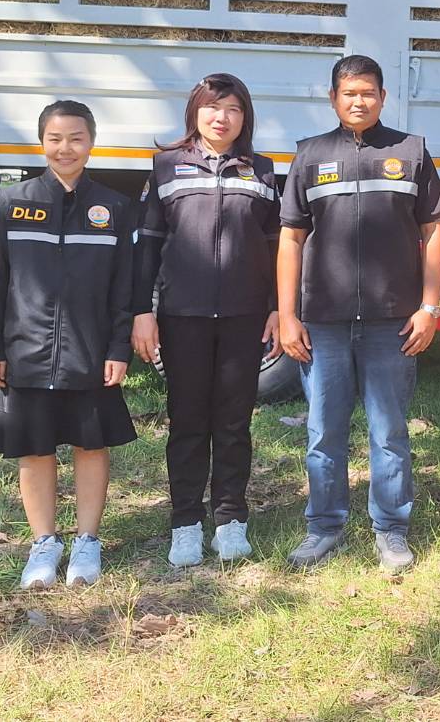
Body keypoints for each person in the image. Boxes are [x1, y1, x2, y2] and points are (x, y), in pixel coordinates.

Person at [278, 55, 440, 574]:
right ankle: (323, 526)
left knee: (389, 432)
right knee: (323, 432)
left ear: (383, 98)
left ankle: (391, 530)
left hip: (392, 321)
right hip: (323, 321)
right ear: (333, 98)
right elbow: (290, 238)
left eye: (368, 92)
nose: (359, 101)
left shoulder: (410, 151)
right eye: (349, 93)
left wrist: (429, 306)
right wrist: (287, 314)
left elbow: (434, 231)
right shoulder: (310, 155)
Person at [0, 100, 136, 589]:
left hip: (91, 353)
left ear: (92, 143)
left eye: (76, 138)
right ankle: (44, 543)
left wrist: (118, 347)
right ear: (41, 142)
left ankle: (87, 541)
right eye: (55, 138)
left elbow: (124, 289)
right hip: (26, 351)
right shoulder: (12, 203)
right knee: (34, 449)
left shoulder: (114, 207)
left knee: (91, 445)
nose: (65, 148)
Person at [131, 73, 280, 567]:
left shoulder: (261, 169)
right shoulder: (166, 167)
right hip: (183, 315)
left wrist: (277, 308)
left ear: (245, 117)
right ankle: (186, 522)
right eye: (214, 107)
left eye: (234, 109)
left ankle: (231, 519)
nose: (222, 117)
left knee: (234, 422)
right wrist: (142, 312)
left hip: (244, 316)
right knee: (188, 421)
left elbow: (276, 247)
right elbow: (148, 245)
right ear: (195, 112)